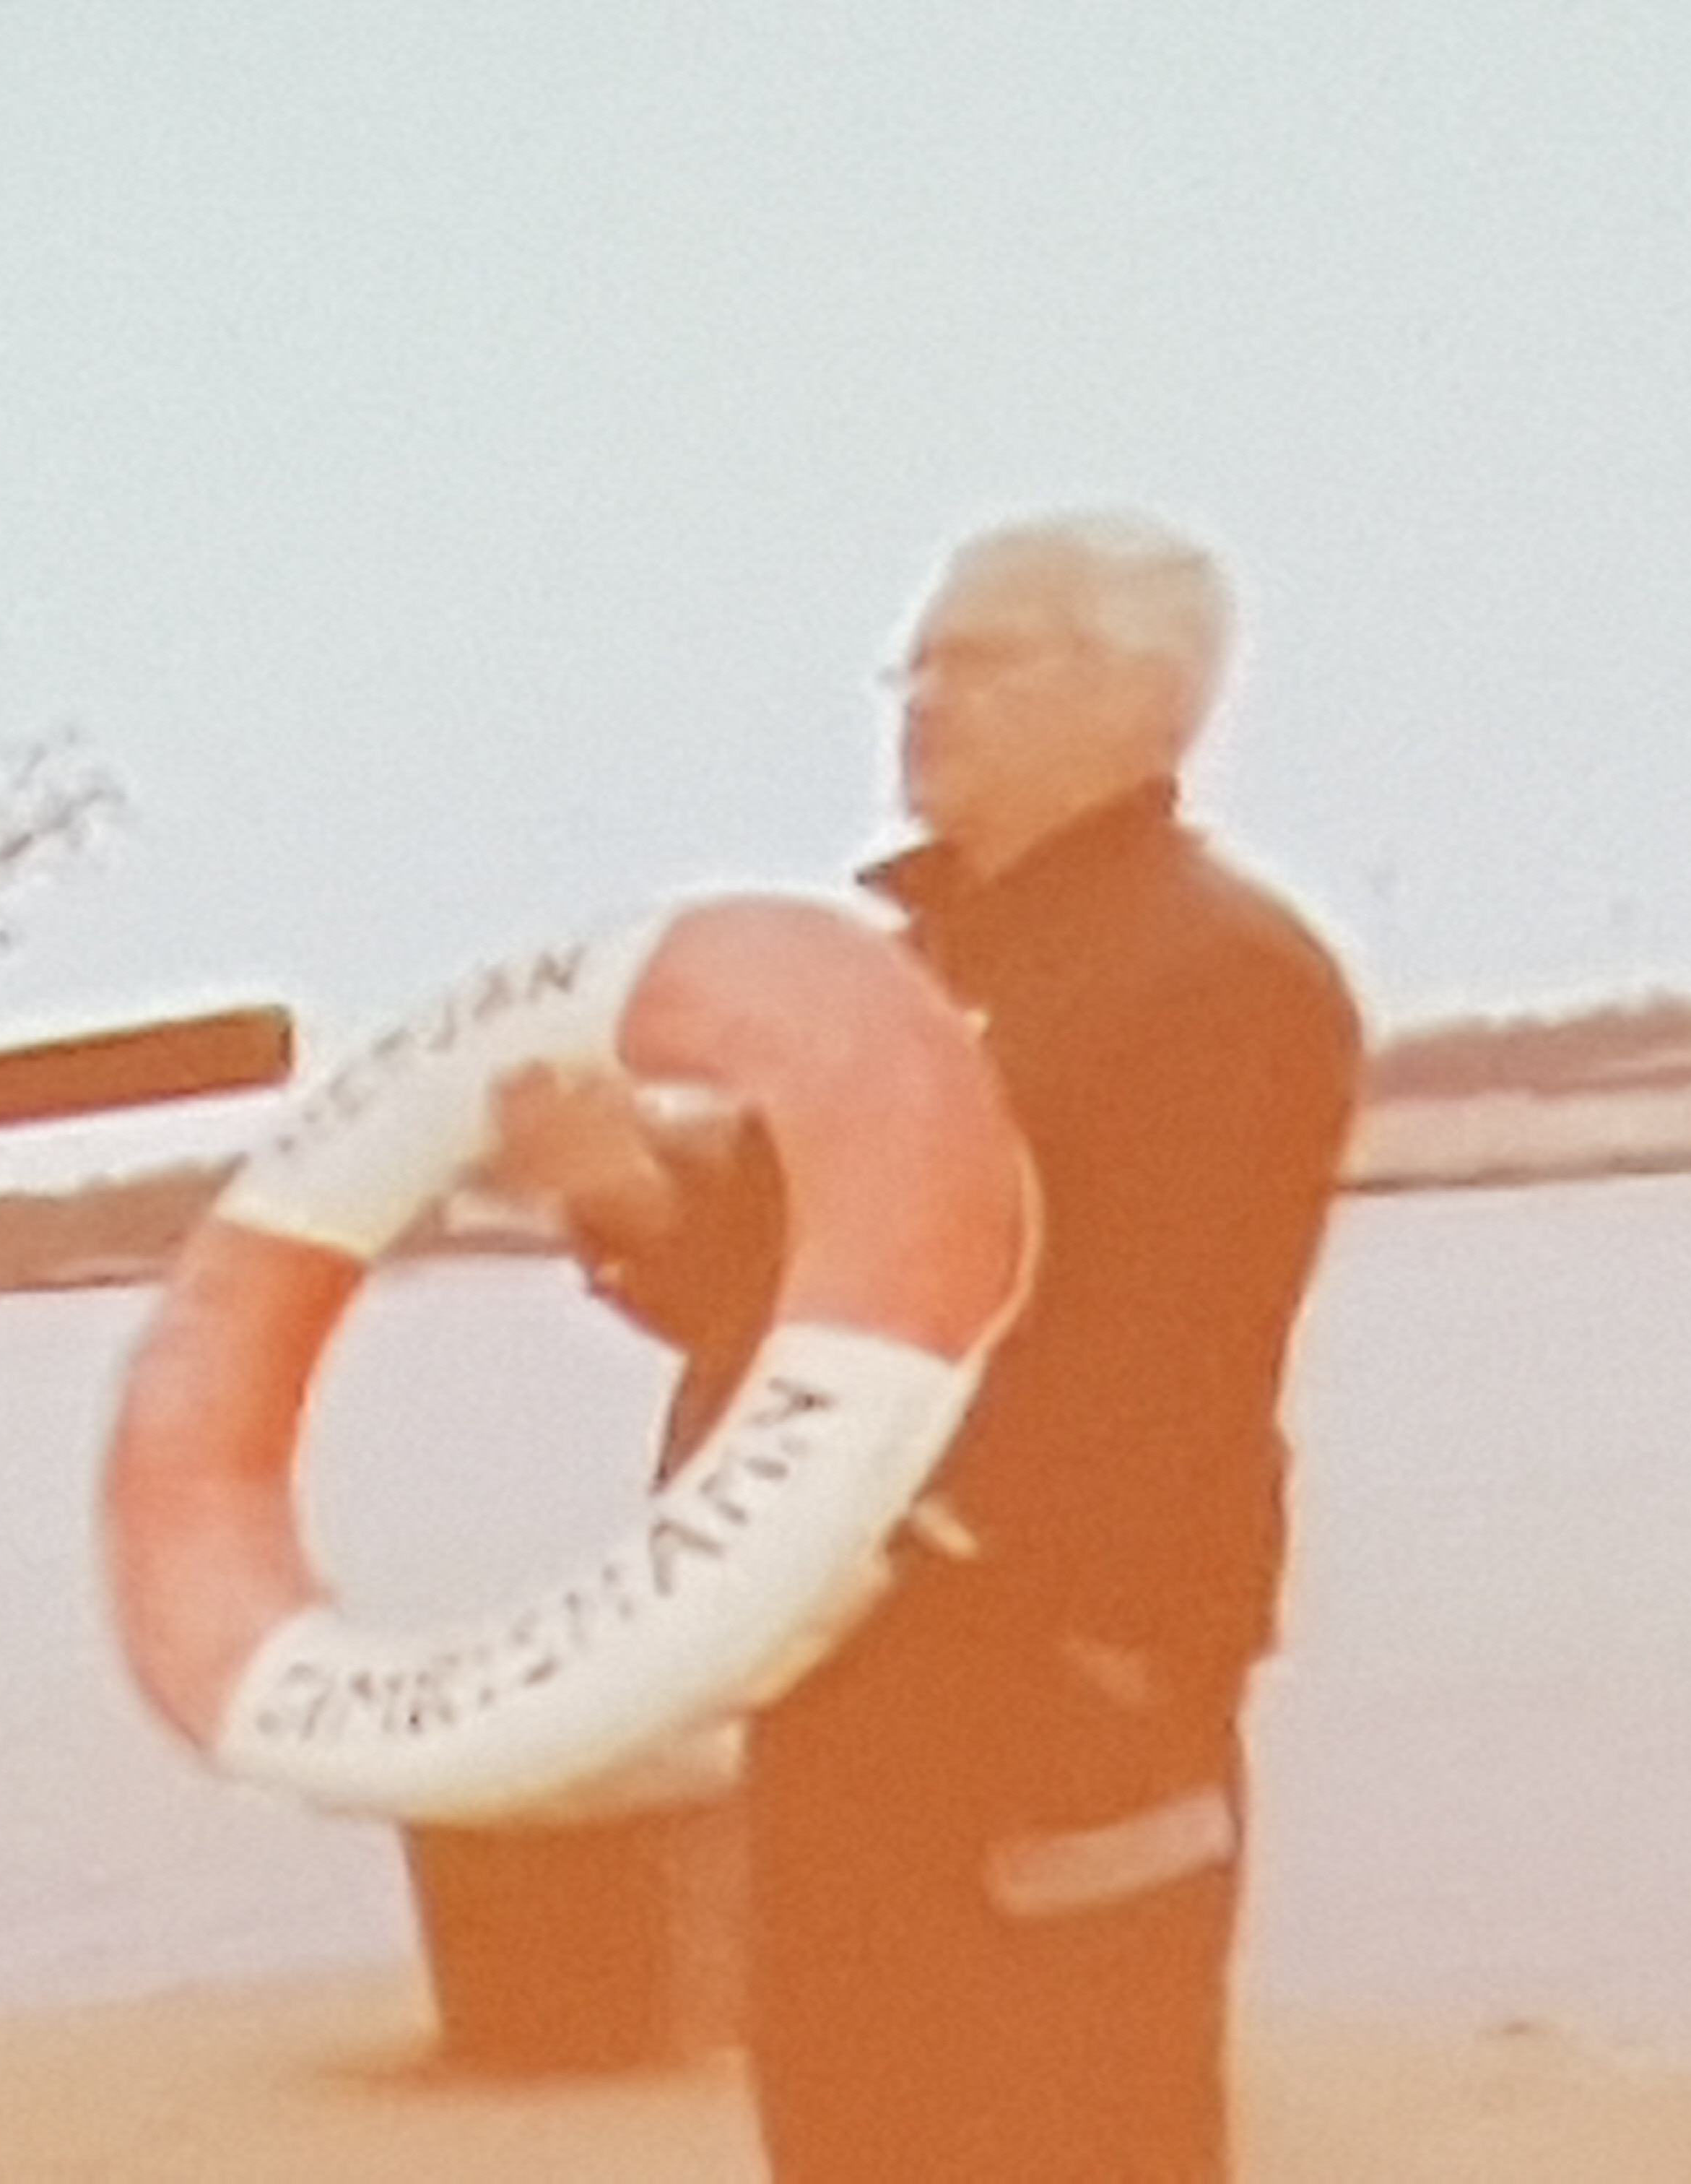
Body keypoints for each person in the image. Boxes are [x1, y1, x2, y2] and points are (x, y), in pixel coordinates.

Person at [490, 509, 1362, 2178]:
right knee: (854, 2137)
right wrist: (629, 1196)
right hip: (847, 1693)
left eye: (979, 657)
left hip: (1058, 1696)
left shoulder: (1225, 978)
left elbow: (1159, 1362)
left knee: (1070, 2141)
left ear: (1143, 692)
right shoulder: (888, 992)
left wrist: (931, 1579)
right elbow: (766, 1297)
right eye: (916, 662)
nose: (925, 697)